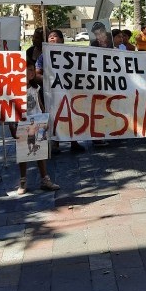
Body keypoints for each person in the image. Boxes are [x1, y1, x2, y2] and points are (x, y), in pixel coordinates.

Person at [9, 67, 59, 195]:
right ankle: (23, 181)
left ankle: (45, 179)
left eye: (32, 70)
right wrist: (11, 126)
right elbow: (10, 109)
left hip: (37, 121)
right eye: (27, 70)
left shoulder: (36, 88)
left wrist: (45, 119)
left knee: (40, 152)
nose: (30, 73)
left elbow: (39, 104)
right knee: (23, 154)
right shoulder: (14, 90)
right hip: (22, 123)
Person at [34, 29, 85, 153]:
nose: (51, 38)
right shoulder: (43, 56)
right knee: (53, 116)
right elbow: (37, 74)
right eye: (50, 37)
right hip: (51, 92)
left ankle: (74, 141)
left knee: (72, 114)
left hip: (69, 91)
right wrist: (49, 80)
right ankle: (55, 143)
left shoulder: (70, 53)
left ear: (62, 40)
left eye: (55, 36)